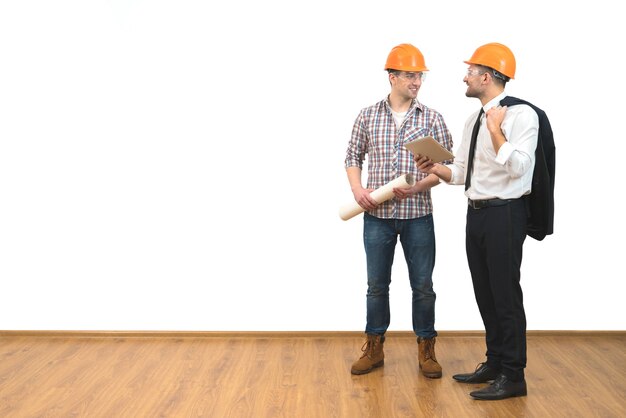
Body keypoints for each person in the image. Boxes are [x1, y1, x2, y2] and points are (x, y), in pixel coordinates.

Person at [415, 42, 538, 400]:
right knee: (485, 293)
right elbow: (465, 173)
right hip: (477, 214)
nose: (464, 77)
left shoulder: (521, 116)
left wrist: (498, 130)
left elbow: (520, 168)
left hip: (506, 215)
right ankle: (496, 362)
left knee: (505, 296)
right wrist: (436, 168)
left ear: (487, 77)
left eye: (470, 72)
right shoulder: (473, 120)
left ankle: (514, 376)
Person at [344, 43, 453, 378]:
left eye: (419, 75)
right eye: (409, 75)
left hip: (417, 216)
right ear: (391, 77)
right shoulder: (367, 115)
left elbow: (449, 168)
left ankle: (427, 350)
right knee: (377, 284)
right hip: (376, 217)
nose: (416, 81)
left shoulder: (432, 118)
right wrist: (358, 190)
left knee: (423, 285)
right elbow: (352, 156)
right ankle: (374, 348)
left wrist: (418, 186)